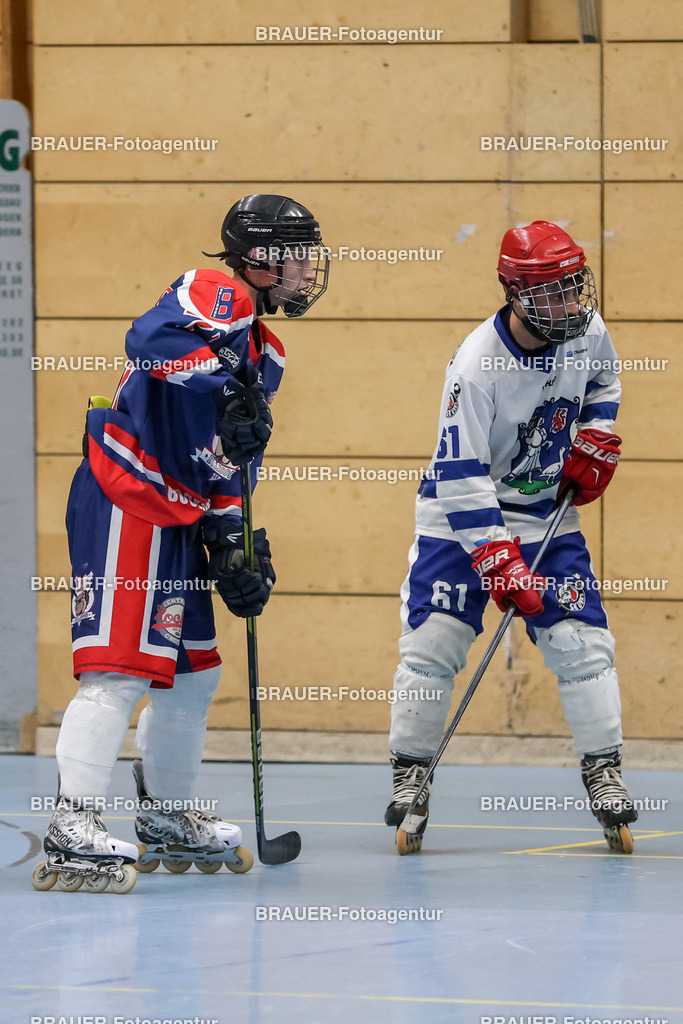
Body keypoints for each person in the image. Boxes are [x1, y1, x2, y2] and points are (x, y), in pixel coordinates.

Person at [32, 195, 329, 893]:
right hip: (125, 496)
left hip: (180, 514)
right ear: (258, 258)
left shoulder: (269, 354)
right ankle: (71, 824)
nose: (306, 270)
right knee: (118, 671)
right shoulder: (214, 292)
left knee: (195, 673)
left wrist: (235, 546)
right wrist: (225, 385)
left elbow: (230, 462)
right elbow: (147, 339)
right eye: (295, 256)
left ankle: (166, 816)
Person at [385, 220, 638, 854]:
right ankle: (412, 771)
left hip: (545, 514)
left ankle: (603, 770)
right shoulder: (476, 365)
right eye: (555, 293)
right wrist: (499, 563)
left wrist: (598, 436)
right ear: (515, 293)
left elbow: (605, 382)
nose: (573, 304)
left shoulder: (587, 331)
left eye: (576, 288)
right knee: (433, 644)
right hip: (459, 515)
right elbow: (458, 471)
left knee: (582, 642)